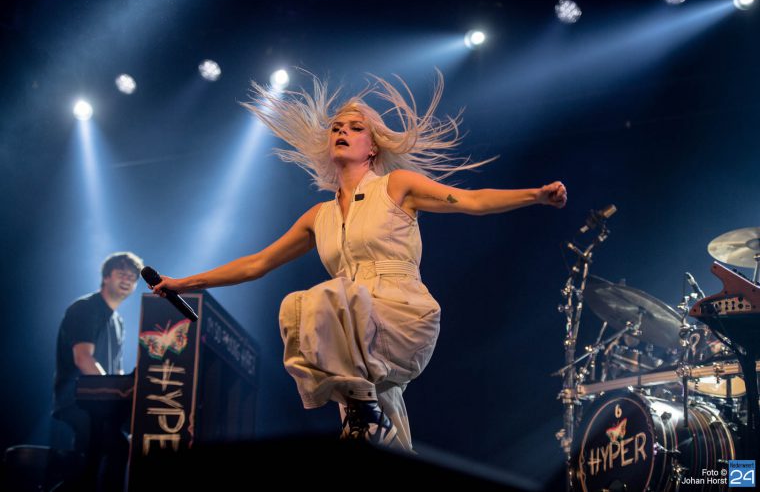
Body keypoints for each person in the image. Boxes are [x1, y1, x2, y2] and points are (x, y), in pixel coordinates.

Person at [152, 71, 567, 452]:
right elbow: (257, 264)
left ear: (373, 147)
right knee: (299, 313)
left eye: (354, 127)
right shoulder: (320, 216)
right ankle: (367, 413)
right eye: (336, 127)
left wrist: (535, 195)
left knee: (321, 301)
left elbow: (472, 201)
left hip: (402, 313)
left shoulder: (396, 187)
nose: (341, 132)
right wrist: (182, 283)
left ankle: (364, 408)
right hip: (352, 335)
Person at [53, 251, 143, 454]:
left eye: (132, 277)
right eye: (122, 274)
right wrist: (111, 396)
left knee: (123, 450)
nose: (127, 280)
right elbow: (83, 358)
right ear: (106, 277)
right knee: (108, 453)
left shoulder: (118, 321)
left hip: (100, 403)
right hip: (78, 402)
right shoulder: (86, 308)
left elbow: (117, 372)